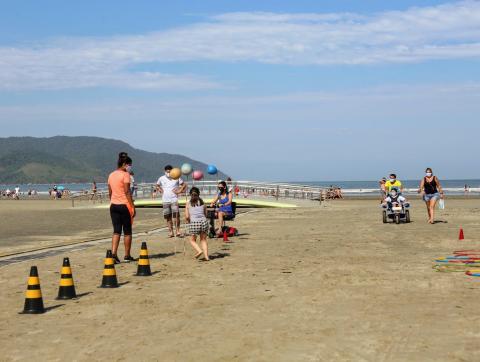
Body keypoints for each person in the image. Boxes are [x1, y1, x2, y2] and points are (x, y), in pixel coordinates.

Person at [108, 152, 136, 263]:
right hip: (124, 205)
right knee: (128, 231)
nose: (130, 167)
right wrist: (132, 206)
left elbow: (110, 192)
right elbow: (127, 191)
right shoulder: (125, 175)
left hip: (113, 205)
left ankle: (113, 254)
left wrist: (113, 201)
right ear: (125, 164)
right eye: (129, 165)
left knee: (116, 231)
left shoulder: (111, 175)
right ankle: (127, 255)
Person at [156, 165, 187, 237]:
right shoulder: (161, 178)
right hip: (165, 200)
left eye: (170, 172)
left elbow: (184, 185)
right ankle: (171, 232)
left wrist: (180, 191)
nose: (168, 173)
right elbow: (157, 185)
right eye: (167, 172)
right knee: (168, 217)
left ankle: (178, 231)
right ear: (165, 171)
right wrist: (160, 189)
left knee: (176, 216)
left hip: (174, 199)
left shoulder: (177, 177)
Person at [185, 187, 209, 261]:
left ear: (190, 195)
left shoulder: (188, 203)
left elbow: (187, 216)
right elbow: (206, 214)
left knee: (192, 240)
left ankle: (199, 251)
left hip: (194, 223)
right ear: (199, 194)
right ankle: (206, 257)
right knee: (203, 240)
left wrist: (188, 221)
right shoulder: (203, 203)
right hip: (204, 222)